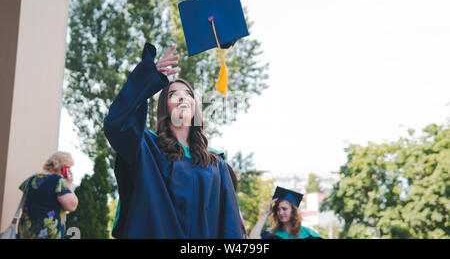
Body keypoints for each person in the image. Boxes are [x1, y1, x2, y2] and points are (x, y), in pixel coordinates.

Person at [104, 42, 243, 239]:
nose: (182, 98)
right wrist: (148, 77)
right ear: (164, 108)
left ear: (195, 107)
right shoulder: (147, 149)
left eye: (188, 94)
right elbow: (115, 123)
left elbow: (230, 227)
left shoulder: (216, 164)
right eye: (172, 94)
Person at [17, 151, 78, 239]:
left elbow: (24, 205)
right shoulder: (58, 181)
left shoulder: (31, 179)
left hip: (25, 231)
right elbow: (72, 206)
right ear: (64, 168)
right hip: (47, 234)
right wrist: (69, 184)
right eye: (69, 168)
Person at [249, 192, 322, 239]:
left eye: (284, 209)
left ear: (293, 211)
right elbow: (253, 237)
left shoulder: (308, 234)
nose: (280, 212)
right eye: (278, 209)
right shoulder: (272, 234)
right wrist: (266, 214)